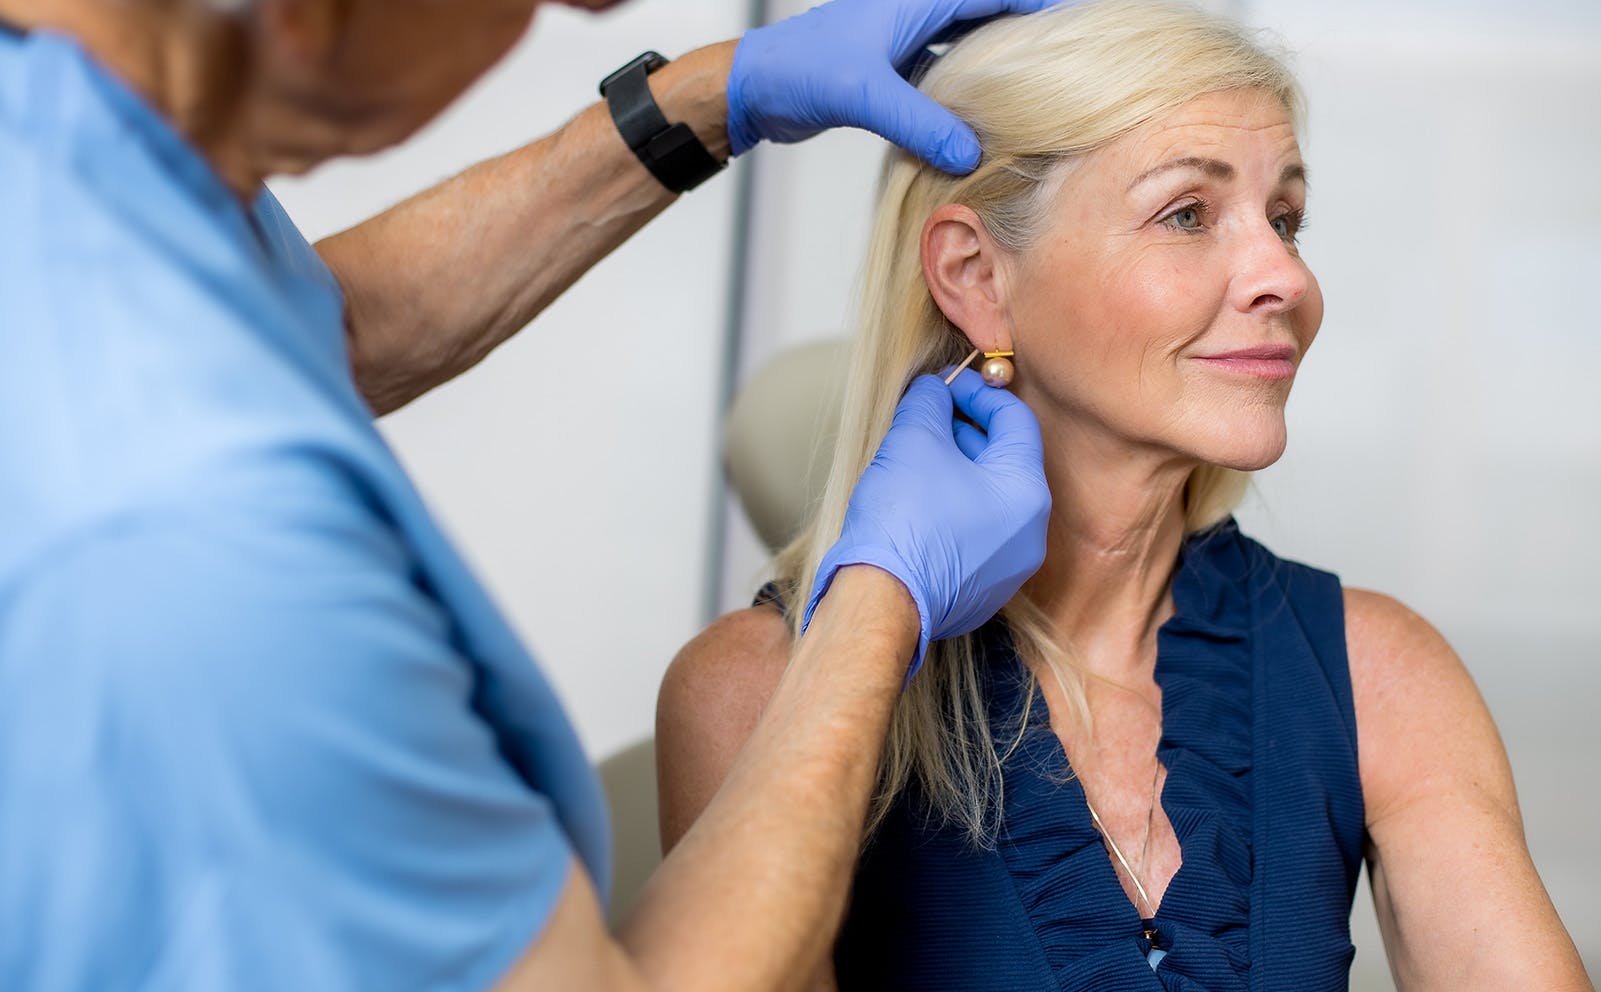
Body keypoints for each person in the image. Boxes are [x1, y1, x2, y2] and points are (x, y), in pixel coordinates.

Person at [0, 0, 1055, 989]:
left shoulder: (79, 132)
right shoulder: (186, 548)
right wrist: (876, 600)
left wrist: (707, 100)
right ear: (298, 17)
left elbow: (321, 323)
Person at [656, 2, 1600, 989]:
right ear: (977, 275)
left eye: (1284, 217)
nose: (1285, 273)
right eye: (1186, 212)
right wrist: (877, 613)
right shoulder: (748, 693)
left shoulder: (1381, 676)